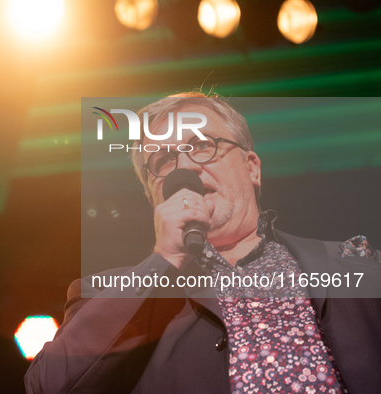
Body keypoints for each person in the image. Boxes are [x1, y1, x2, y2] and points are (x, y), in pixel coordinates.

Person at [24, 93, 381, 393]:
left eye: (202, 145)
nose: (186, 169)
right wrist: (164, 258)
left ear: (252, 168)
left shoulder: (355, 264)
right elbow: (47, 385)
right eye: (164, 160)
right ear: (154, 197)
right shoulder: (107, 295)